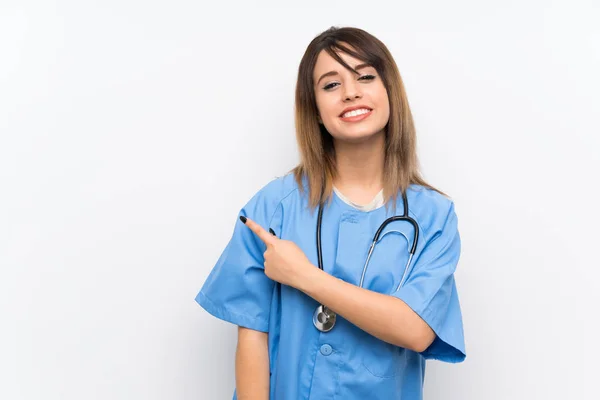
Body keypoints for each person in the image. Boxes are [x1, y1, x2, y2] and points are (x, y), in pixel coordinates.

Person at [195, 26, 466, 400]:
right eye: (330, 85)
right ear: (317, 111)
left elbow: (416, 329)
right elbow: (252, 339)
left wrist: (304, 276)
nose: (351, 91)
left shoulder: (433, 215)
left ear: (390, 93)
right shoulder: (274, 206)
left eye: (366, 77)